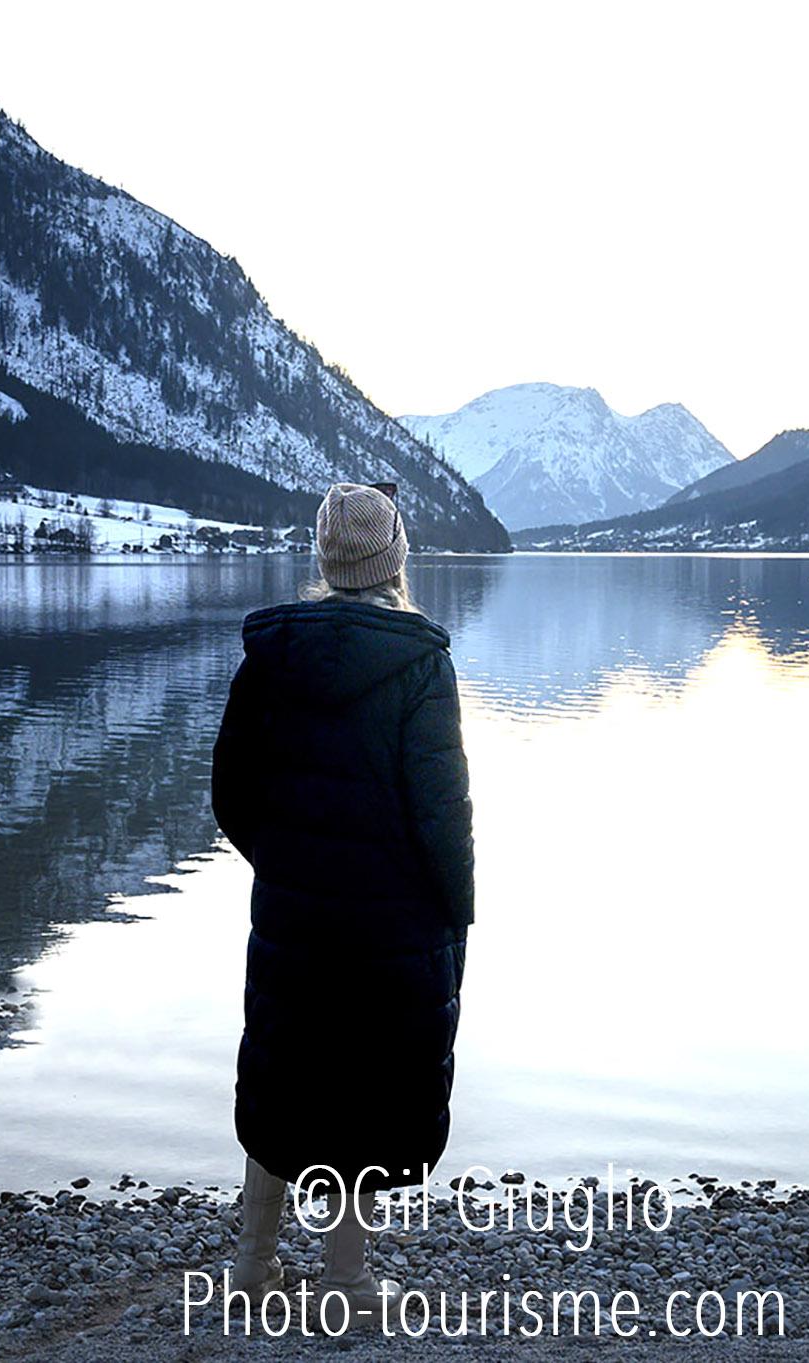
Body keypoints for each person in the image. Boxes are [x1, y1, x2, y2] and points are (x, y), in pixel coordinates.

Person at [210, 481, 475, 1319]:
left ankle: (252, 1268)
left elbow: (231, 790)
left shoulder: (272, 655)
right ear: (395, 560)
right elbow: (442, 810)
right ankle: (348, 1281)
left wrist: (288, 862)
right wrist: (456, 906)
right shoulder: (421, 661)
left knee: (284, 1072)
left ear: (324, 560)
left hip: (294, 909)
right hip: (390, 921)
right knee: (369, 1082)